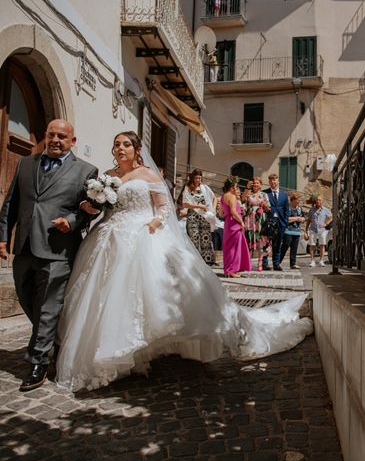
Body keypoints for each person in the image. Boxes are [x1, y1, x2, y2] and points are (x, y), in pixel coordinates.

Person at [56, 132, 312, 392]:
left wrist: (154, 223)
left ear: (136, 149)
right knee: (109, 295)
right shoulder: (108, 176)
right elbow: (105, 207)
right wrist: (92, 207)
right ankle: (120, 352)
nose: (120, 149)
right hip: (111, 235)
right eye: (116, 145)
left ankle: (145, 346)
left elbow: (164, 207)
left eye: (126, 144)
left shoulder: (148, 175)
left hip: (144, 233)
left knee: (153, 293)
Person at [0, 119, 98, 391]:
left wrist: (73, 220)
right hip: (25, 247)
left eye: (62, 137)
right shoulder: (26, 164)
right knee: (26, 296)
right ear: (45, 136)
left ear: (72, 141)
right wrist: (3, 236)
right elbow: (11, 203)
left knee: (48, 305)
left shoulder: (86, 170)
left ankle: (38, 361)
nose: (55, 140)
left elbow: (90, 208)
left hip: (58, 249)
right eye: (51, 134)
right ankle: (52, 340)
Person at [180, 169, 216, 265]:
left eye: (200, 178)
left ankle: (208, 261)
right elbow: (185, 204)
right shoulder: (187, 188)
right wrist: (199, 206)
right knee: (194, 238)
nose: (199, 180)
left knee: (206, 238)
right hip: (193, 216)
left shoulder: (205, 188)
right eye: (196, 178)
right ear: (192, 178)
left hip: (204, 217)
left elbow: (214, 198)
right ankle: (193, 261)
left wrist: (213, 211)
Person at [221, 177, 252, 278]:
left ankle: (228, 270)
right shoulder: (232, 197)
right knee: (235, 248)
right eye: (235, 186)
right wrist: (241, 221)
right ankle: (232, 271)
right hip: (234, 223)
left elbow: (221, 213)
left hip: (227, 224)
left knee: (229, 248)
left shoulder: (223, 197)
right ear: (231, 187)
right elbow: (234, 212)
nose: (236, 188)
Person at [243, 177, 271, 271]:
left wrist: (264, 204)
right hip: (250, 220)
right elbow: (243, 202)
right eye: (254, 183)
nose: (255, 184)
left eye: (257, 183)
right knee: (249, 240)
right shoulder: (248, 194)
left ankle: (260, 262)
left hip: (260, 220)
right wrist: (247, 188)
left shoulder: (264, 195)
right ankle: (248, 263)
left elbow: (268, 209)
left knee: (260, 242)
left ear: (260, 185)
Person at [263, 173, 289, 271]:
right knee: (266, 244)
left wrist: (285, 221)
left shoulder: (284, 195)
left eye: (275, 180)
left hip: (280, 223)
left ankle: (276, 264)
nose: (273, 182)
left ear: (278, 181)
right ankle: (265, 264)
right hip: (268, 222)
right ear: (269, 182)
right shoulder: (265, 193)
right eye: (271, 180)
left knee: (277, 244)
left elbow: (287, 209)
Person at [305, 196, 332, 267]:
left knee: (322, 245)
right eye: (317, 200)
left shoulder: (325, 210)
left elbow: (331, 217)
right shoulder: (311, 210)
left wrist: (326, 223)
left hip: (322, 230)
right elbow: (309, 220)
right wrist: (306, 229)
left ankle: (321, 261)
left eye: (319, 200)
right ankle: (312, 261)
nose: (318, 201)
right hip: (313, 229)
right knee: (312, 245)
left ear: (322, 201)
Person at [280, 193, 304, 269]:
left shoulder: (299, 209)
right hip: (287, 231)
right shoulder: (287, 208)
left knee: (294, 248)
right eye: (297, 200)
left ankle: (293, 264)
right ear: (292, 200)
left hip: (297, 231)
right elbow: (286, 219)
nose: (298, 202)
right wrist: (297, 218)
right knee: (285, 246)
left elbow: (302, 218)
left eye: (299, 200)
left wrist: (302, 219)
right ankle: (278, 262)